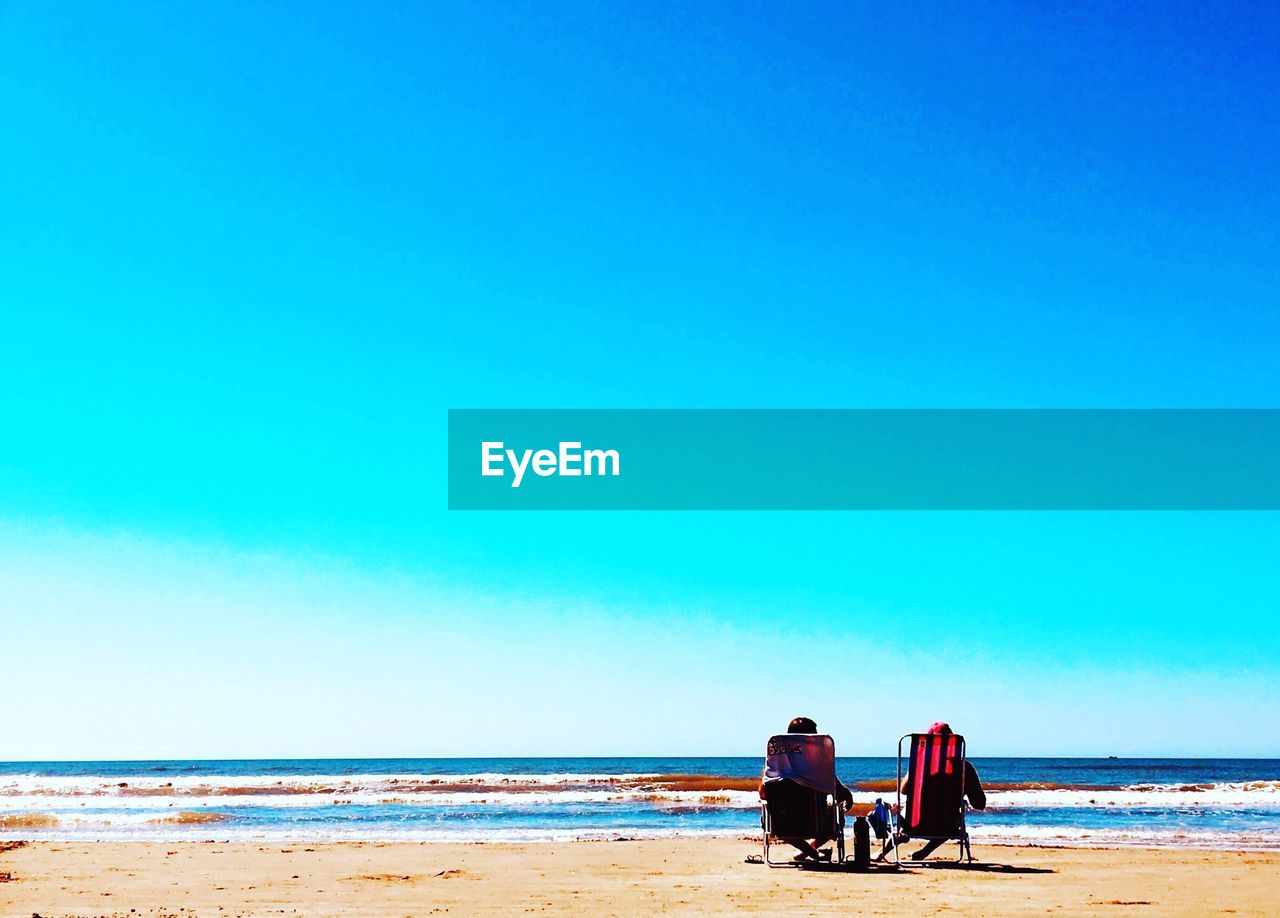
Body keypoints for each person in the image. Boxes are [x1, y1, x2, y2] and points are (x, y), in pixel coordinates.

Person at [759, 716, 854, 862]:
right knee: (837, 818)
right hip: (817, 824)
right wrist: (846, 795)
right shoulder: (817, 768)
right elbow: (840, 793)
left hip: (782, 825)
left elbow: (763, 793)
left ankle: (807, 852)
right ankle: (812, 851)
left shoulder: (775, 771)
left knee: (772, 817)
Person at [898, 721, 986, 860]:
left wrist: (915, 769)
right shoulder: (964, 768)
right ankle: (924, 852)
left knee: (907, 810)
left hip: (912, 824)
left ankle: (883, 851)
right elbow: (979, 804)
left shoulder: (920, 766)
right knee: (951, 815)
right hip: (947, 825)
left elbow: (903, 791)